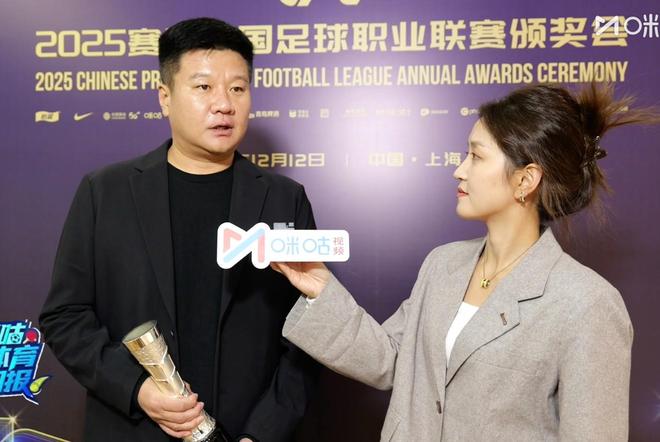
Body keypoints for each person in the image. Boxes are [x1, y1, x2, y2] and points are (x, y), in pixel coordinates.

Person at [272, 83, 658, 441]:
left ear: (526, 180)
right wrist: (321, 289)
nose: (459, 169)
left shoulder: (587, 303)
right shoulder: (443, 264)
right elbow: (392, 360)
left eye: (476, 156)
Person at [40, 17, 318, 442]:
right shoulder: (105, 192)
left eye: (238, 88)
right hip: (131, 430)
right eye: (203, 87)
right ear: (165, 98)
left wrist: (261, 435)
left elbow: (309, 336)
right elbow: (66, 316)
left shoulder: (284, 199)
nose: (224, 104)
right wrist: (137, 389)